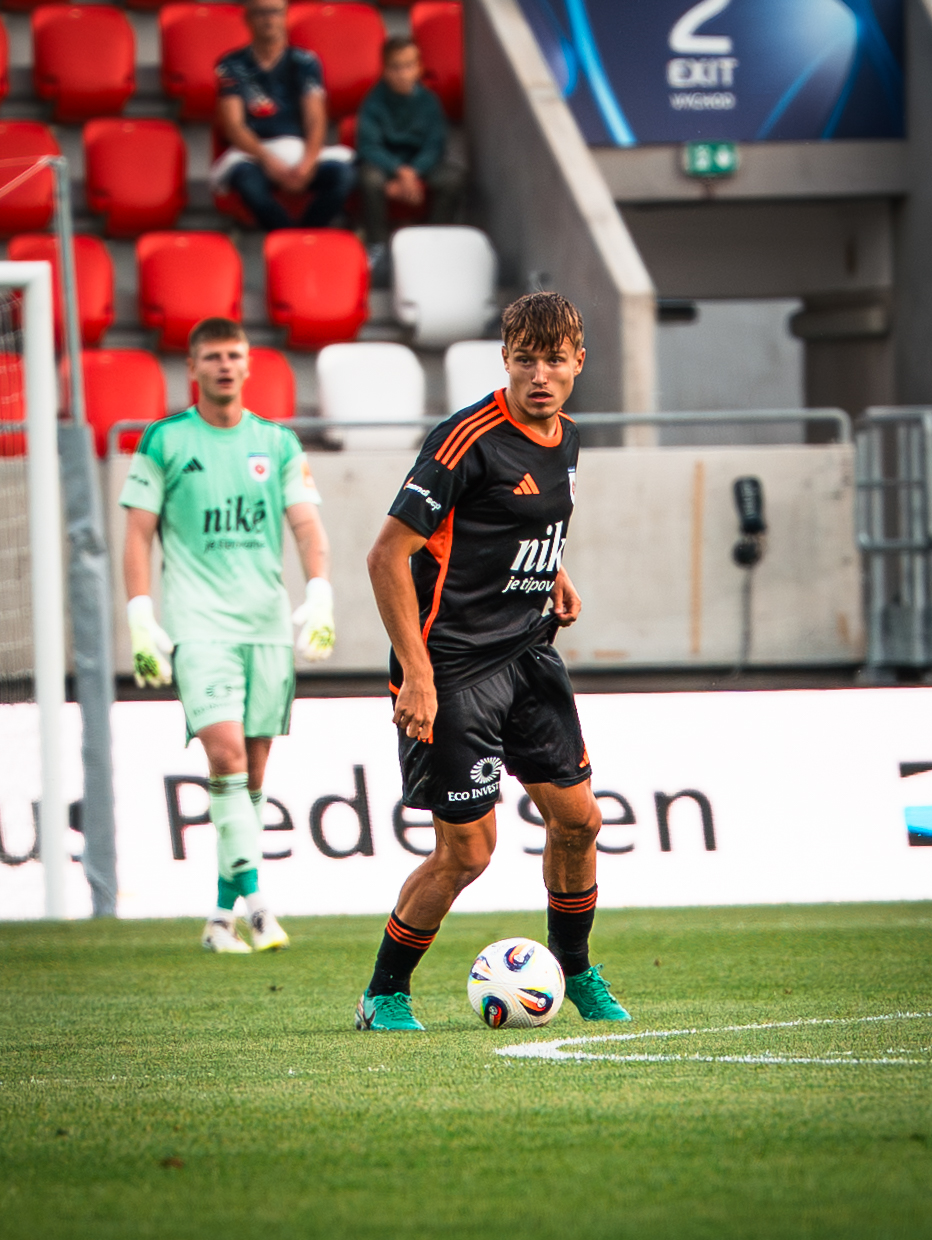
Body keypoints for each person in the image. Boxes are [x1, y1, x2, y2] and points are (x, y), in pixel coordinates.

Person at [356, 292, 632, 1030]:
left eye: (555, 360)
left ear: (579, 362)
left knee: (578, 821)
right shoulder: (464, 441)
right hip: (452, 669)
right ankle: (385, 992)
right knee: (468, 853)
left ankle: (576, 971)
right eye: (525, 360)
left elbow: (521, 519)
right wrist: (416, 674)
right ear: (505, 360)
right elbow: (386, 556)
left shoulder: (568, 437)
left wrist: (553, 573)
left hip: (528, 654)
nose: (540, 375)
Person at [119, 318, 336, 953]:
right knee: (226, 759)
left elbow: (306, 526)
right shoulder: (164, 440)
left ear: (247, 365)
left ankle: (220, 918)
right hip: (199, 626)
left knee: (252, 778)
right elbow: (137, 534)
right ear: (191, 367)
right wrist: (140, 614)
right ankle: (261, 908)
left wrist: (319, 590)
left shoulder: (278, 442)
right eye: (211, 356)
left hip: (265, 626)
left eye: (233, 355)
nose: (224, 365)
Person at [213, 0, 356, 231]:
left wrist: (308, 163)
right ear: (248, 19)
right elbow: (234, 125)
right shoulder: (231, 64)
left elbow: (315, 118)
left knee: (344, 176)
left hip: (299, 150)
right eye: (261, 13)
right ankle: (288, 236)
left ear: (285, 16)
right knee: (249, 184)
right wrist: (268, 160)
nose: (269, 19)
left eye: (275, 12)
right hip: (254, 154)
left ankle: (307, 234)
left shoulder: (305, 62)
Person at [356, 35, 467, 274]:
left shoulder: (429, 102)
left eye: (408, 66)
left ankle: (436, 243)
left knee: (453, 177)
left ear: (419, 68)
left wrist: (413, 172)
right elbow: (369, 147)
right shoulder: (373, 101)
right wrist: (400, 171)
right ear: (385, 70)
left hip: (421, 167)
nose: (403, 74)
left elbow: (435, 146)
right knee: (369, 178)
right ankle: (378, 247)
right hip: (386, 168)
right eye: (395, 67)